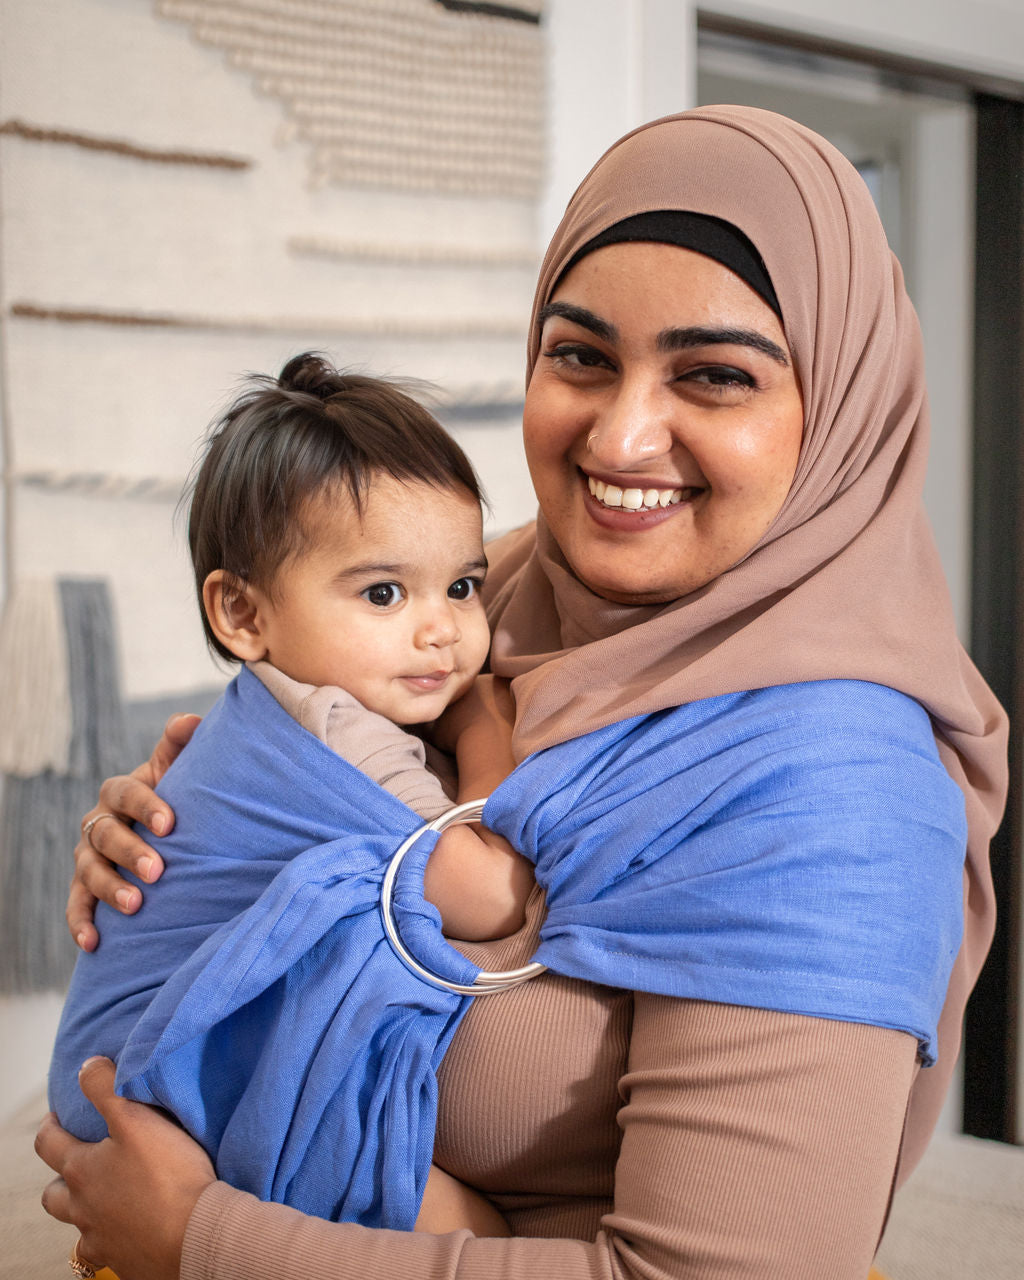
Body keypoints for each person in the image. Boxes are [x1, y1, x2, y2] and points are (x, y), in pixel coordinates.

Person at [38, 105, 1007, 1280]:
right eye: (581, 355)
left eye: (714, 374)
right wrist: (176, 839)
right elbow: (306, 743)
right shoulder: (495, 592)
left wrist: (204, 1238)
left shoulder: (839, 791)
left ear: (844, 410)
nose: (622, 435)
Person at [49, 352, 531, 1236]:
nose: (444, 630)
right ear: (243, 615)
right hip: (161, 1095)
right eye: (383, 593)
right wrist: (484, 722)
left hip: (138, 1070)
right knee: (475, 1238)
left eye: (464, 586)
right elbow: (492, 893)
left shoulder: (287, 706)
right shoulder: (334, 731)